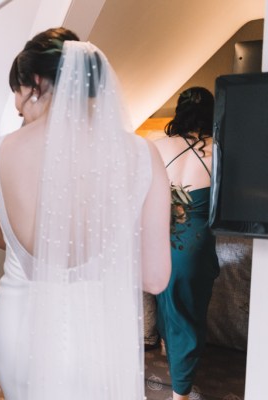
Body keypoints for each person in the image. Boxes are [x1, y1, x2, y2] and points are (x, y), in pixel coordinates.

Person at [0, 27, 172, 399]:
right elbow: (155, 279)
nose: (19, 111)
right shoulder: (142, 154)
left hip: (21, 324)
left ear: (33, 82)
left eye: (20, 101)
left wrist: (36, 256)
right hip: (102, 325)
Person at [153, 86, 220, 400]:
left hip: (159, 244)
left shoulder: (156, 147)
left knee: (169, 307)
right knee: (190, 317)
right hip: (194, 246)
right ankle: (181, 392)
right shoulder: (220, 152)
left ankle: (173, 359)